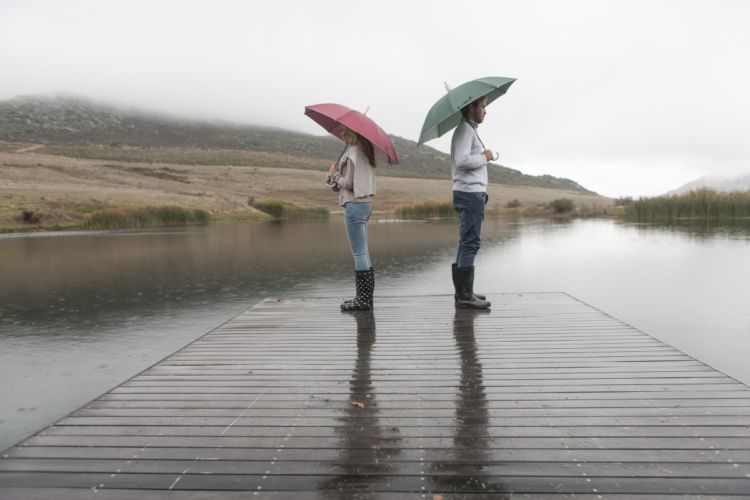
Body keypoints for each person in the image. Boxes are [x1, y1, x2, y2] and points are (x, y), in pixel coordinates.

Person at [326, 126, 376, 311]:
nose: (342, 134)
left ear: (354, 133)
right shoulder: (365, 151)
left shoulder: (353, 152)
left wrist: (336, 174)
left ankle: (362, 299)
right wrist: (333, 179)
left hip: (354, 206)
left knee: (359, 253)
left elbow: (348, 184)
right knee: (364, 252)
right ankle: (366, 298)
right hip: (365, 204)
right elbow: (346, 184)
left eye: (345, 131)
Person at [450, 96, 493, 309]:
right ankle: (465, 296)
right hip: (469, 194)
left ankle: (464, 293)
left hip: (470, 193)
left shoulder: (468, 130)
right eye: (483, 106)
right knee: (471, 242)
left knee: (466, 242)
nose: (485, 111)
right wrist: (485, 157)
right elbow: (462, 160)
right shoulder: (465, 131)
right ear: (471, 108)